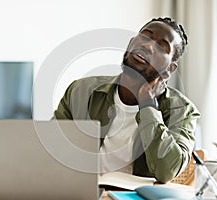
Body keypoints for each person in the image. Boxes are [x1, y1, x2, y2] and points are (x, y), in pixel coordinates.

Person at [54, 17, 200, 183]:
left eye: (161, 46)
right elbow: (52, 149)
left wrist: (147, 103)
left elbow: (167, 171)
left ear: (169, 69)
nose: (148, 46)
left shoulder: (182, 110)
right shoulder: (81, 91)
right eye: (145, 37)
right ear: (131, 44)